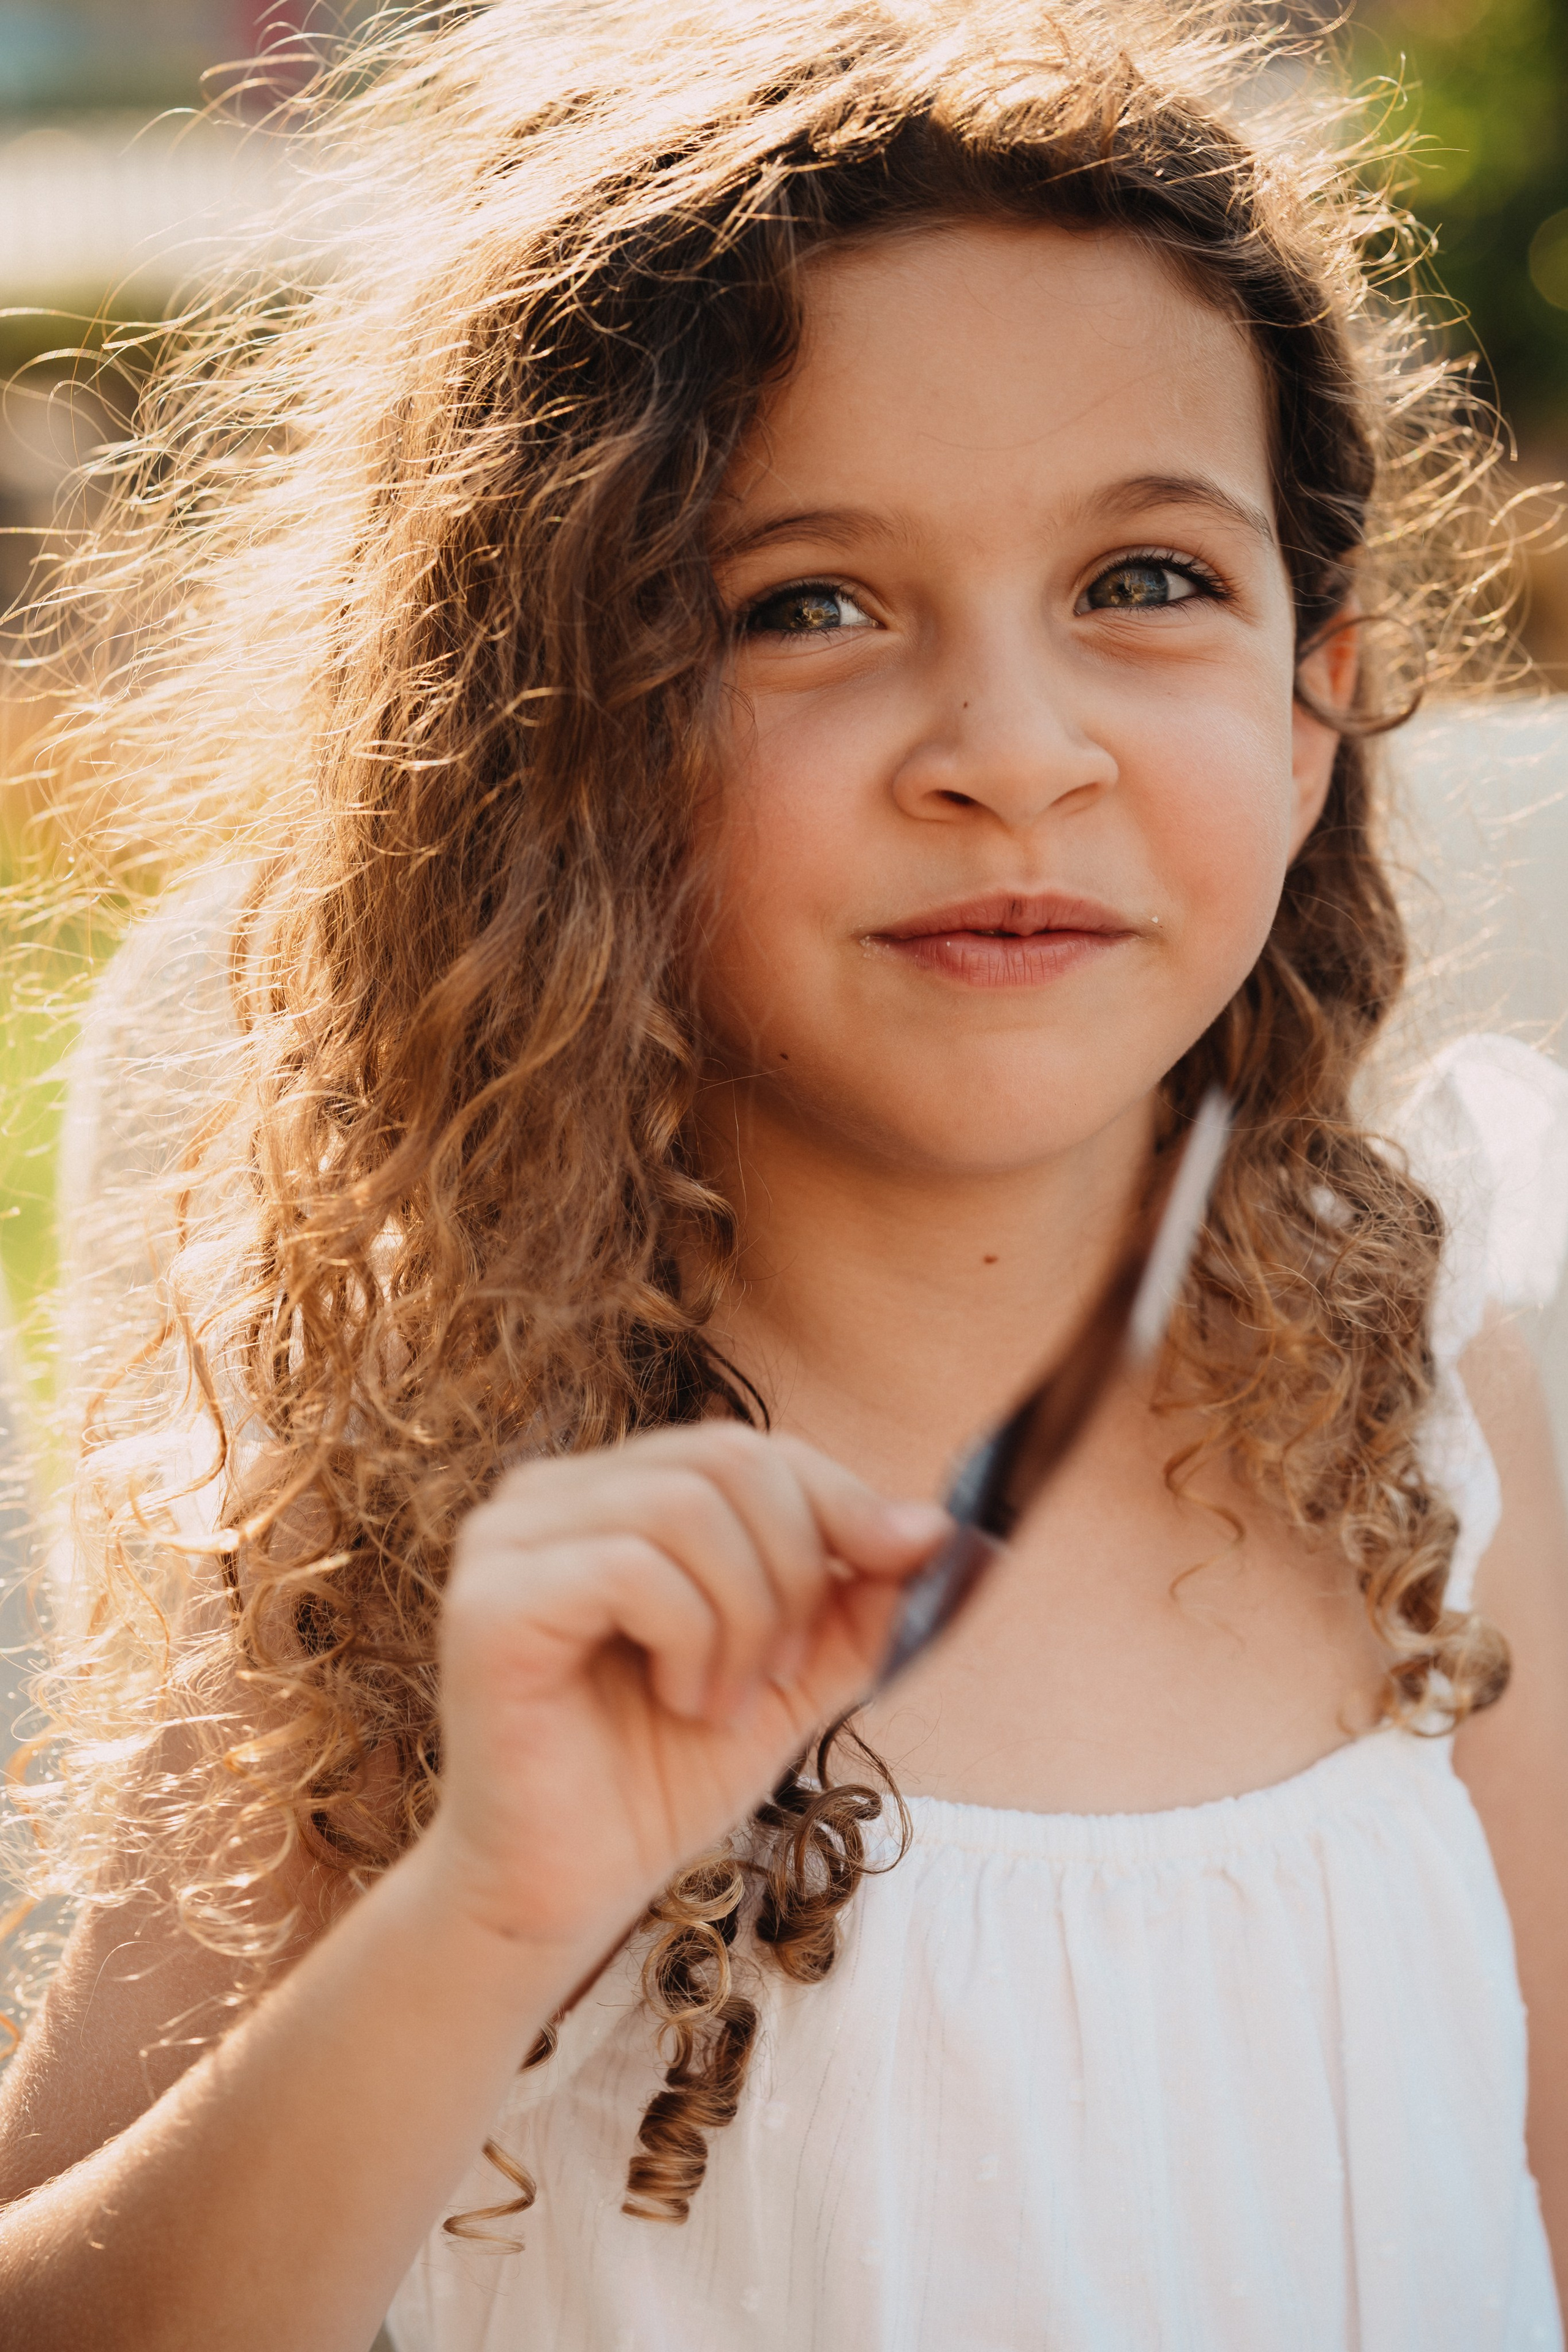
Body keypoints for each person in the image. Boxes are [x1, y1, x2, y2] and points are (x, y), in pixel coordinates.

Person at [2, 2, 1567, 2344]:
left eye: (1146, 580)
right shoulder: (423, 1505)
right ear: (553, 741)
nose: (1011, 753)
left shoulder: (1426, 1413)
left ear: (1315, 694)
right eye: (806, 606)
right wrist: (485, 1912)